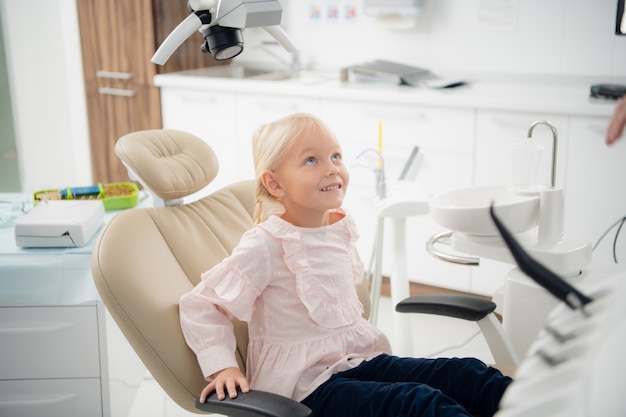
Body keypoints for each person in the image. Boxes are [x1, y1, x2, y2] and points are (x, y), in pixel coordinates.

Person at [178, 113, 512, 417]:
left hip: (353, 362)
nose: (332, 168)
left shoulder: (339, 228)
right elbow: (202, 305)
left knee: (466, 374)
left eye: (336, 156)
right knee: (419, 403)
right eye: (311, 160)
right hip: (304, 389)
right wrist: (223, 368)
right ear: (275, 183)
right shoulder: (267, 243)